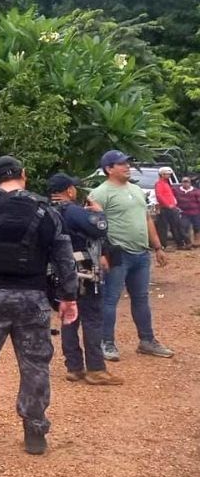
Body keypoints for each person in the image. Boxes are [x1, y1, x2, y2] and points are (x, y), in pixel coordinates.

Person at [0, 156, 78, 455]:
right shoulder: (47, 211)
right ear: (24, 175)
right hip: (31, 300)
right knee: (35, 365)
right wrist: (68, 296)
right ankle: (35, 434)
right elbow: (64, 257)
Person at [90, 151, 174, 361]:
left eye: (128, 163)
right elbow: (94, 227)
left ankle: (147, 340)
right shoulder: (100, 193)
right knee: (110, 299)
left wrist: (157, 247)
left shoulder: (136, 189)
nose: (128, 167)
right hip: (117, 254)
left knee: (141, 298)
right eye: (122, 164)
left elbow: (146, 218)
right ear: (109, 169)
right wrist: (102, 253)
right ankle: (106, 342)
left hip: (140, 253)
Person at [46, 173, 123, 386]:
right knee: (92, 318)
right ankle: (96, 369)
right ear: (69, 190)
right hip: (83, 270)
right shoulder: (72, 211)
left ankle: (74, 367)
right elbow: (100, 228)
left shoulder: (47, 211)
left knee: (69, 317)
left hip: (58, 271)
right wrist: (100, 214)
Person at [154, 166, 190, 250]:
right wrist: (167, 204)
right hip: (165, 208)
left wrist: (173, 204)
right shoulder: (159, 183)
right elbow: (159, 196)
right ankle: (163, 246)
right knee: (163, 228)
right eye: (167, 174)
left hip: (171, 207)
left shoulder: (166, 183)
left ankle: (180, 243)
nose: (169, 176)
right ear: (162, 174)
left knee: (176, 225)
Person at [174, 176, 200, 246]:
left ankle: (197, 241)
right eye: (184, 182)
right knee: (183, 227)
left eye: (187, 182)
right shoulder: (177, 190)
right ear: (181, 183)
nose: (185, 183)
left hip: (195, 212)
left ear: (190, 183)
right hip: (184, 212)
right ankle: (188, 242)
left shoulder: (196, 191)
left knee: (197, 227)